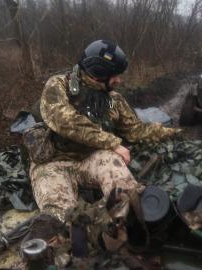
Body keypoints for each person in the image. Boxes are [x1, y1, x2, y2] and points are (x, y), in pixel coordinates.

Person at [29, 40, 182, 221]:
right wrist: (112, 143)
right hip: (53, 162)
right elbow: (65, 120)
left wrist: (171, 132)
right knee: (61, 219)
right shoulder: (59, 85)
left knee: (124, 190)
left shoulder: (113, 100)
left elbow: (136, 131)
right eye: (114, 75)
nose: (119, 80)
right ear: (98, 72)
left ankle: (129, 220)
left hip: (91, 159)